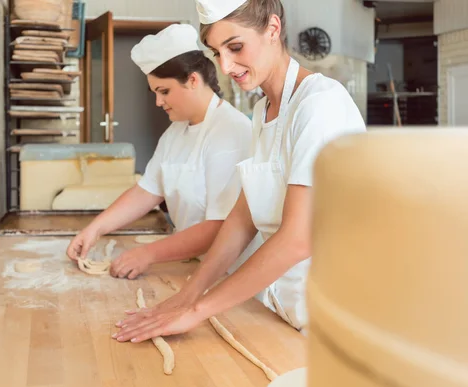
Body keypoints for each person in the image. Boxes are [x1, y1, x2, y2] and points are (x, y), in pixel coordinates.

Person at [112, 0, 366, 343]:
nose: (227, 65)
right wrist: (190, 294)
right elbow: (242, 217)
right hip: (285, 310)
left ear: (273, 29)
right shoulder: (263, 111)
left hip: (334, 318)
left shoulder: (320, 105)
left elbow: (298, 238)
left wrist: (196, 311)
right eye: (217, 53)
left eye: (235, 47)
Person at [66, 23, 259, 280]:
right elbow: (147, 190)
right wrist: (94, 229)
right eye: (156, 93)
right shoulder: (176, 132)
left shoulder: (231, 132)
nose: (158, 102)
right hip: (193, 266)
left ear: (192, 80)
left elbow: (220, 227)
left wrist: (149, 253)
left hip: (231, 274)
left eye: (164, 91)